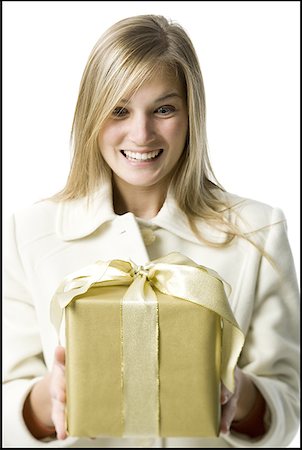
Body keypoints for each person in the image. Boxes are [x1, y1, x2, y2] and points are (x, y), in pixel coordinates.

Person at [3, 14, 299, 448]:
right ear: (91, 115)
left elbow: (289, 402)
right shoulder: (29, 232)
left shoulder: (257, 230)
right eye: (119, 110)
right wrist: (49, 400)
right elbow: (8, 396)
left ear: (190, 113)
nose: (141, 134)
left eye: (164, 109)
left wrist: (241, 394)